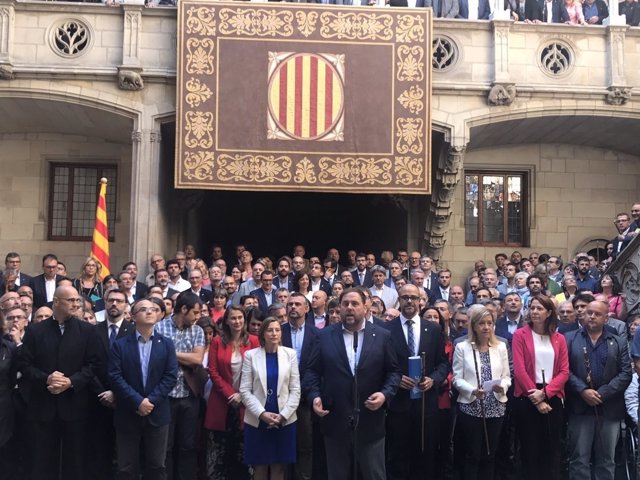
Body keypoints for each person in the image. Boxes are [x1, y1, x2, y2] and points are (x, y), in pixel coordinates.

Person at [305, 289, 401, 480]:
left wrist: (384, 395)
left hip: (370, 420)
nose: (349, 308)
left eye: (355, 303)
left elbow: (394, 372)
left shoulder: (382, 336)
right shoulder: (324, 336)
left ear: (366, 307)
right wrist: (314, 395)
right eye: (345, 304)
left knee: (374, 474)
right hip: (335, 419)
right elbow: (311, 372)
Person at [19, 284, 102, 480]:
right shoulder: (36, 331)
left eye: (77, 300)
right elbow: (24, 365)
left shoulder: (88, 331)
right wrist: (46, 378)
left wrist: (71, 382)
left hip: (75, 406)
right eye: (71, 300)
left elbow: (95, 364)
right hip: (43, 406)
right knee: (42, 461)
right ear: (56, 302)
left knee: (75, 461)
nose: (76, 304)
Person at [108, 298, 179, 480]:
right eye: (143, 309)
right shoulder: (120, 345)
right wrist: (138, 401)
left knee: (157, 466)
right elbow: (115, 376)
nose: (149, 312)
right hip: (128, 411)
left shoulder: (167, 344)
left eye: (153, 309)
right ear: (132, 316)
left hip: (158, 412)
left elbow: (170, 377)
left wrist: (150, 401)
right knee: (126, 466)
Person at [384, 284, 449, 480]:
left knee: (425, 455)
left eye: (414, 297)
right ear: (399, 300)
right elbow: (380, 366)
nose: (410, 301)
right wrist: (395, 381)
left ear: (421, 301)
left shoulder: (434, 329)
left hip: (426, 404)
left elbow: (443, 364)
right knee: (398, 456)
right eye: (405, 297)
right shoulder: (385, 330)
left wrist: (433, 379)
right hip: (398, 404)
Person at [566, 300, 631, 480]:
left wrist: (603, 393)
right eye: (589, 312)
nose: (592, 316)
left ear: (606, 318)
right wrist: (583, 390)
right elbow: (564, 370)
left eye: (597, 314)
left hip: (609, 408)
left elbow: (626, 373)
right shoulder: (569, 339)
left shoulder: (618, 341)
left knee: (607, 459)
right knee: (579, 458)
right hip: (580, 407)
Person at [512, 295, 569, 480]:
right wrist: (536, 398)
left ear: (549, 312)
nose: (534, 312)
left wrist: (545, 394)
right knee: (529, 449)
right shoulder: (520, 335)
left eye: (539, 308)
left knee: (551, 449)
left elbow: (564, 371)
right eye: (532, 308)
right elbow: (519, 370)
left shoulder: (559, 338)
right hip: (527, 396)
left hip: (551, 394)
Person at [452, 305, 511, 480]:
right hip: (471, 406)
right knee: (473, 455)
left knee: (490, 454)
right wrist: (472, 390)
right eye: (482, 324)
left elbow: (507, 376)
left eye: (489, 323)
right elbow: (457, 378)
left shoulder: (500, 347)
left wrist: (503, 386)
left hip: (495, 406)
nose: (486, 327)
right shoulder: (462, 347)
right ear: (474, 326)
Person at [241, 317, 301, 480]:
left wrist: (283, 415)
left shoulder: (290, 354)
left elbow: (295, 390)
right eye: (270, 330)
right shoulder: (250, 355)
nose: (274, 333)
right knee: (260, 466)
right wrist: (262, 414)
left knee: (279, 467)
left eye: (277, 330)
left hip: (284, 418)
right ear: (263, 334)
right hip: (257, 419)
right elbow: (245, 390)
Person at [155, 291, 206, 480]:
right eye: (195, 312)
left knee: (188, 446)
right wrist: (181, 355)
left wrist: (170, 352)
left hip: (188, 395)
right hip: (164, 396)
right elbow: (156, 359)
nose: (198, 317)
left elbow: (197, 359)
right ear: (183, 309)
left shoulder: (197, 330)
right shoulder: (159, 328)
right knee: (165, 447)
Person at [205, 305, 260, 480]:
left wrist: (242, 395)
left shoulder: (253, 341)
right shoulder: (217, 342)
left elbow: (258, 372)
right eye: (233, 318)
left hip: (247, 403)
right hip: (222, 402)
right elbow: (213, 371)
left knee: (243, 455)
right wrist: (230, 394)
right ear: (227, 321)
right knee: (220, 454)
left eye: (240, 318)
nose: (237, 321)